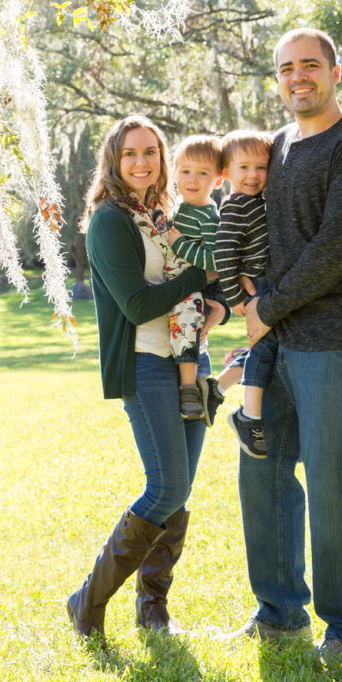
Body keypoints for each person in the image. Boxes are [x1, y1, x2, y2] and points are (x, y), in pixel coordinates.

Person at [237, 27, 342, 662]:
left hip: (341, 340)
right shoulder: (274, 148)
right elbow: (254, 232)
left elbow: (336, 247)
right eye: (285, 69)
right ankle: (279, 613)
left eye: (309, 65)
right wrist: (242, 305)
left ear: (334, 71)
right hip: (276, 341)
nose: (297, 77)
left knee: (332, 481)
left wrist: (265, 309)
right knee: (264, 469)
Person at [66, 115, 225, 640]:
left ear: (162, 156)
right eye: (130, 153)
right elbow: (136, 305)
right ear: (113, 161)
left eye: (150, 152)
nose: (141, 162)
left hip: (190, 359)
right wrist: (201, 276)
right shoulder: (111, 220)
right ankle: (87, 600)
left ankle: (152, 610)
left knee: (179, 493)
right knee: (167, 486)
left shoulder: (163, 211)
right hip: (145, 362)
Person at [211, 129, 275, 459]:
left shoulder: (256, 202)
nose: (253, 175)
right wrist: (234, 295)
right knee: (263, 347)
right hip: (254, 287)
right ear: (226, 174)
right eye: (244, 167)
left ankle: (218, 387)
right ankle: (248, 416)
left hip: (263, 282)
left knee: (264, 345)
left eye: (261, 168)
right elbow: (224, 250)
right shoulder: (237, 203)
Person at [165, 134, 224, 423]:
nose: (193, 179)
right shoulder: (177, 204)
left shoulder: (209, 216)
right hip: (169, 281)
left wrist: (179, 245)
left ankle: (189, 387)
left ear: (218, 180)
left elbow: (214, 260)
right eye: (186, 171)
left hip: (191, 288)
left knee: (188, 325)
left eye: (203, 173)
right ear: (175, 173)